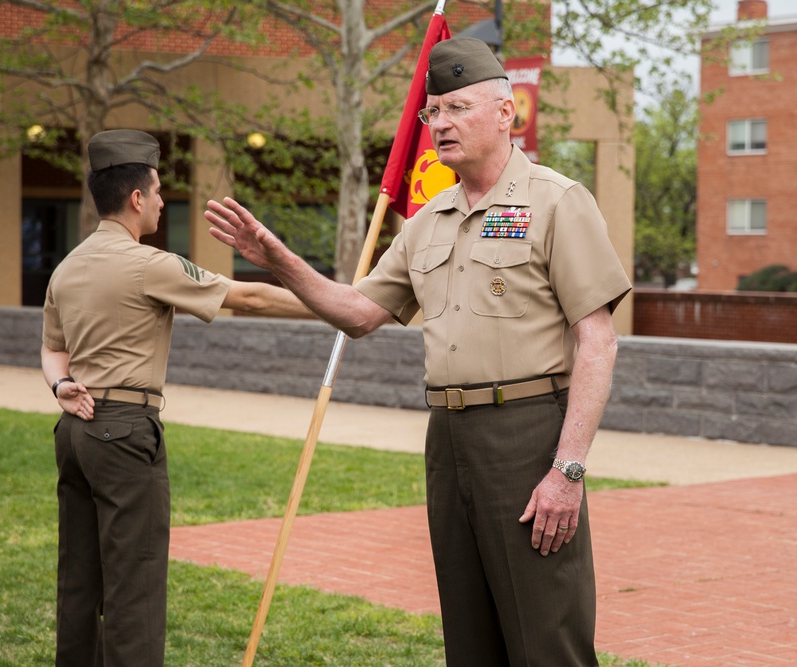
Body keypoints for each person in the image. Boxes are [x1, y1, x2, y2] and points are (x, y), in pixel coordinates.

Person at [206, 37, 631, 667]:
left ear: (505, 111)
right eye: (433, 113)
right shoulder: (428, 221)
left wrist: (566, 471)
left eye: (458, 107)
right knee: (470, 636)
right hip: (448, 439)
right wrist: (280, 260)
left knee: (548, 639)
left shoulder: (556, 201)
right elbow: (359, 312)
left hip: (528, 437)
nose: (441, 125)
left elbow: (597, 338)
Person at [41, 129, 310, 666]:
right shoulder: (151, 264)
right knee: (134, 587)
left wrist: (59, 386)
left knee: (79, 581)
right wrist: (333, 302)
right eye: (159, 191)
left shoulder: (66, 267)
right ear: (137, 198)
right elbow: (249, 298)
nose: (163, 201)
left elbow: (52, 351)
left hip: (75, 432)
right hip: (124, 432)